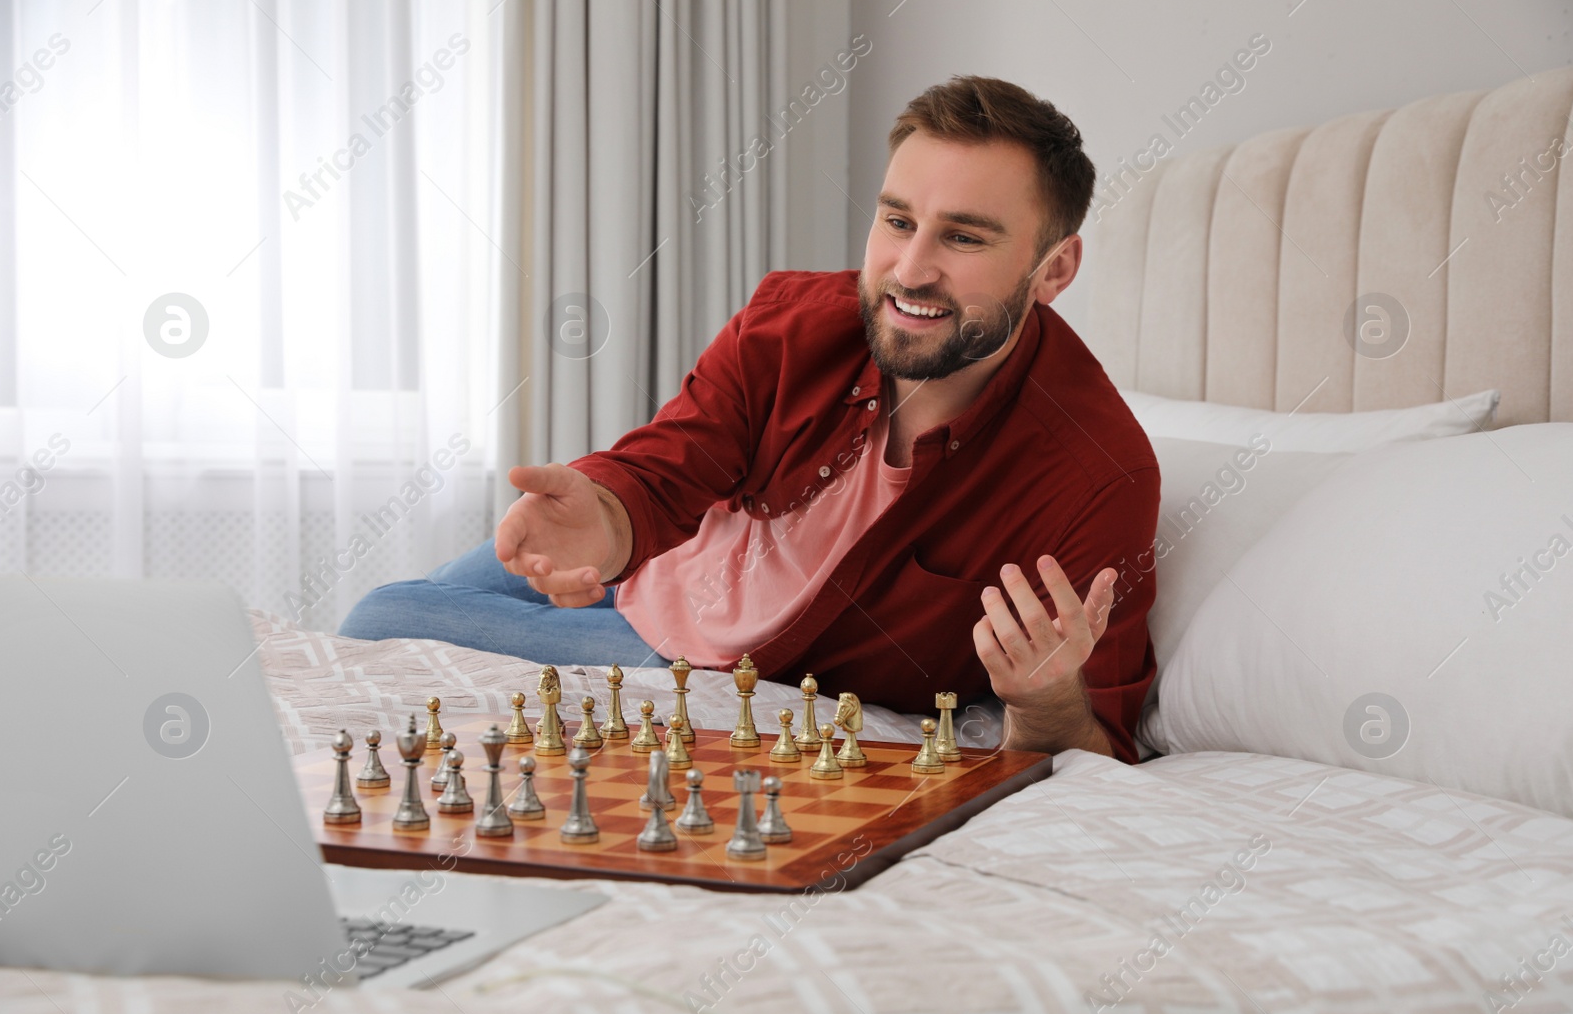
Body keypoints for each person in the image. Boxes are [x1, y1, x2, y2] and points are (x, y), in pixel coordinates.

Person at [341, 75, 1160, 762]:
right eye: (898, 220)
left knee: (382, 620)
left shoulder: (1096, 476)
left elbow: (1100, 740)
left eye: (965, 238)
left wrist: (1044, 698)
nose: (910, 269)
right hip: (651, 563)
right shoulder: (795, 320)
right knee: (376, 618)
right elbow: (669, 466)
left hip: (708, 657)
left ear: (1054, 268)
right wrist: (609, 513)